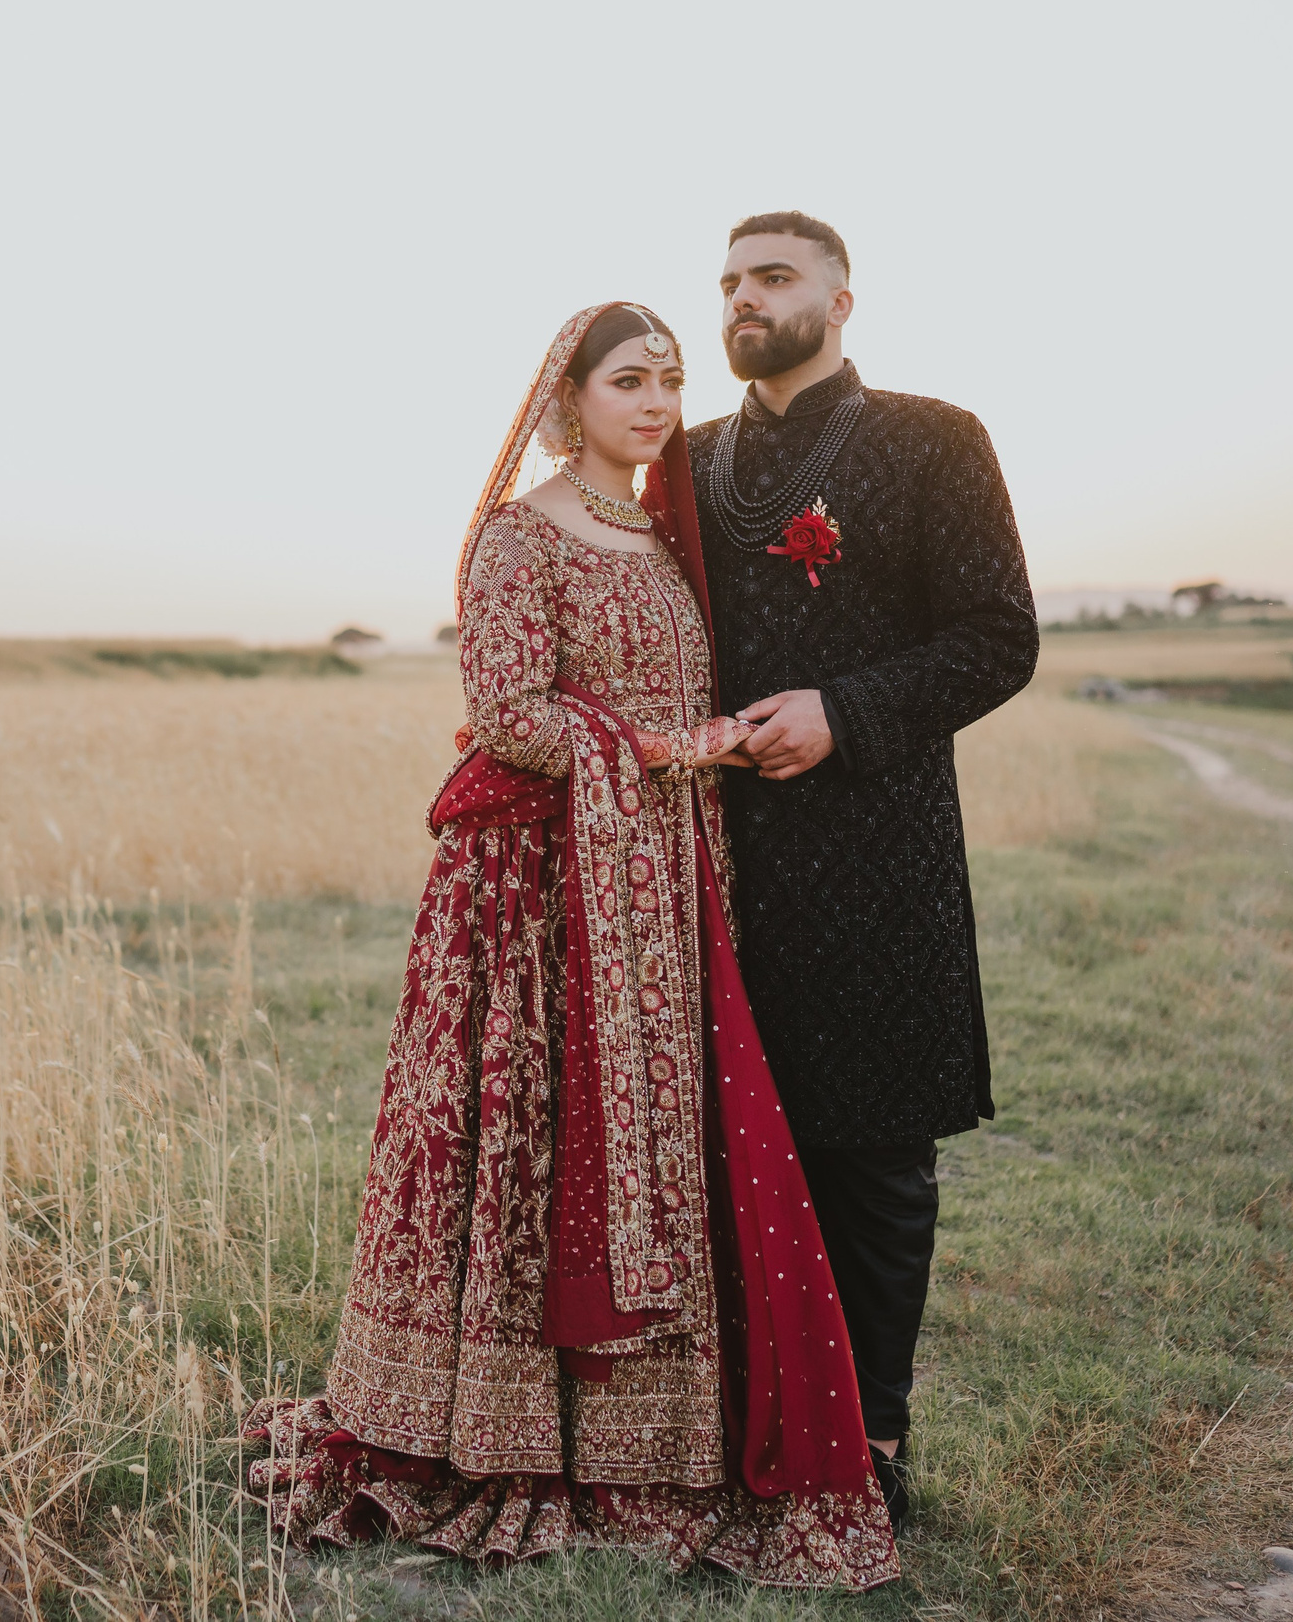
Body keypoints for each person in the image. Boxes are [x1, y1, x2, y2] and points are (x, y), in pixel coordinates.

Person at [243, 303, 899, 1588]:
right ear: (569, 396)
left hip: (663, 881)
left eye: (668, 379)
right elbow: (506, 712)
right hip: (543, 893)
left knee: (668, 1134)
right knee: (538, 1137)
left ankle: (651, 1443)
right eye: (626, 382)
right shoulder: (518, 535)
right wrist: (664, 749)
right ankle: (498, 1432)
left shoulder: (664, 536)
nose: (654, 403)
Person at [672, 212, 1040, 1531]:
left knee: (874, 1157)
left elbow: (998, 638)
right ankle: (736, 1428)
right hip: (714, 858)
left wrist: (842, 707)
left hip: (882, 851)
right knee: (726, 1151)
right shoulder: (689, 458)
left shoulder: (934, 440)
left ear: (840, 295)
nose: (742, 300)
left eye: (771, 278)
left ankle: (870, 1442)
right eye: (726, 282)